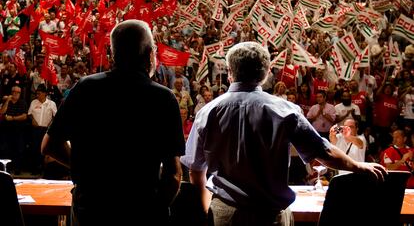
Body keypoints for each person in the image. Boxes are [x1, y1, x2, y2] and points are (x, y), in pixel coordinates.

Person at [181, 42, 386, 226]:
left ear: (229, 72)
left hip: (224, 214)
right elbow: (323, 152)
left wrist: (206, 210)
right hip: (272, 216)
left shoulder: (207, 112)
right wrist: (358, 165)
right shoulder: (285, 110)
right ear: (266, 72)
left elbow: (196, 170)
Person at [41, 20, 185, 225]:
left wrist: (85, 169)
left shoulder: (85, 88)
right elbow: (173, 174)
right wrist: (155, 210)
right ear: (149, 54)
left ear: (113, 53)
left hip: (91, 208)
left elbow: (49, 145)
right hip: (142, 209)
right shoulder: (163, 98)